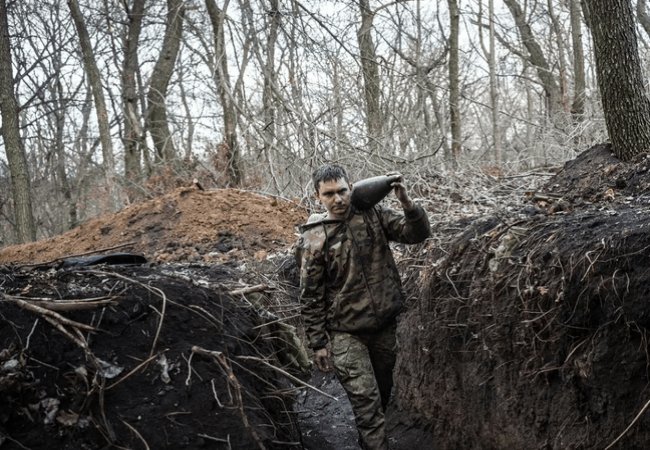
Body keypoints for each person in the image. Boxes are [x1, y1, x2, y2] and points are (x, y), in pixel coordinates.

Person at [297, 164, 431, 449]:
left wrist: (407, 203)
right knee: (367, 406)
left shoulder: (374, 214)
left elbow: (416, 234)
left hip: (384, 327)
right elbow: (310, 294)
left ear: (352, 188)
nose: (338, 199)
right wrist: (318, 343)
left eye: (342, 191)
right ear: (317, 196)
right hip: (346, 334)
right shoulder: (315, 237)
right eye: (329, 194)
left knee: (382, 395)